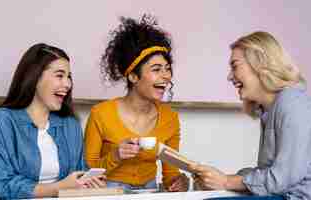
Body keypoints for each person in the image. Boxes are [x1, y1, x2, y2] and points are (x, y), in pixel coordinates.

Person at [191, 31, 310, 200]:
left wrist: (226, 182)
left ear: (260, 64)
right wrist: (218, 180)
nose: (229, 76)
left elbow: (283, 177)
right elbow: (269, 173)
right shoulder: (270, 110)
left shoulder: (292, 102)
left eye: (235, 66)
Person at [0, 43, 106, 200]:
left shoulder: (70, 124)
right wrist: (58, 188)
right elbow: (3, 186)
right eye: (59, 75)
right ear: (34, 76)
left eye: (69, 77)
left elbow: (79, 173)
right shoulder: (1, 121)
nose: (67, 84)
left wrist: (88, 182)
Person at [84, 14, 189, 192]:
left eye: (167, 69)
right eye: (156, 69)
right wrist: (115, 156)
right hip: (109, 192)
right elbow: (87, 173)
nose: (166, 76)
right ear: (133, 76)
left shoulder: (170, 119)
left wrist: (180, 182)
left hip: (149, 191)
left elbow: (170, 174)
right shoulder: (101, 114)